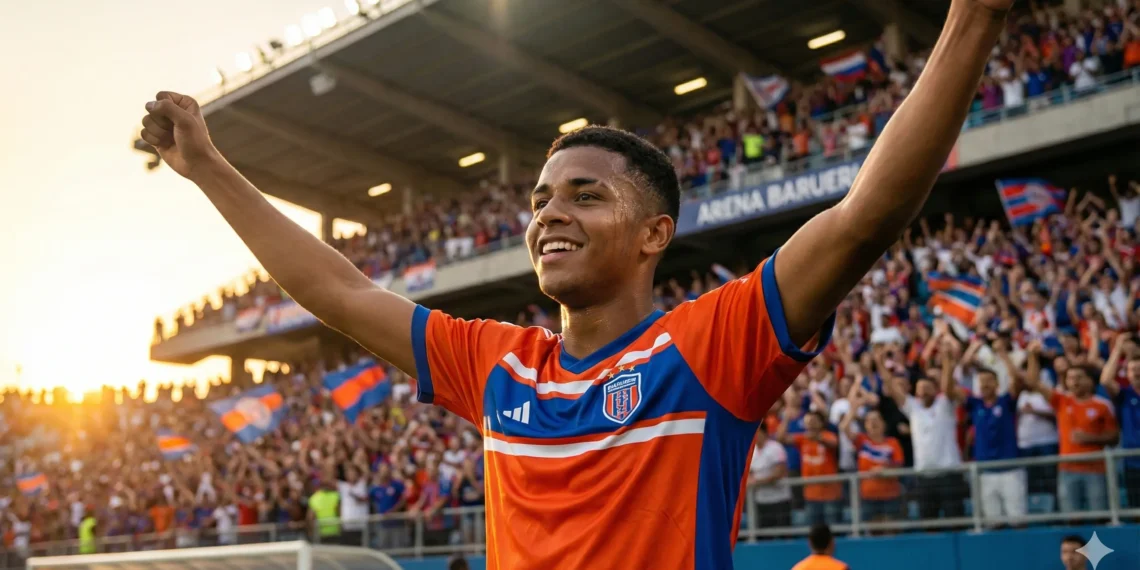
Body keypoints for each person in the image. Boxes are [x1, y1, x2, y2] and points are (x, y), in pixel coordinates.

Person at [138, 0, 1015, 563]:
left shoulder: (710, 347)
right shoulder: (499, 367)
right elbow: (337, 292)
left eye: (585, 197)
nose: (548, 214)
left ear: (653, 235)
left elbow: (863, 217)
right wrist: (211, 168)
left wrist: (973, 16)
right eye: (540, 198)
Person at [1026, 351, 1117, 514]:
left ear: (1090, 381)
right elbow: (1033, 382)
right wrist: (1032, 355)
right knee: (1071, 516)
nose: (1074, 382)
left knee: (1099, 516)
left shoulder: (1103, 405)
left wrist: (1090, 438)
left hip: (1095, 470)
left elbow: (1114, 437)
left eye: (1079, 377)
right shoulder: (1062, 401)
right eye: (1070, 378)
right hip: (1067, 469)